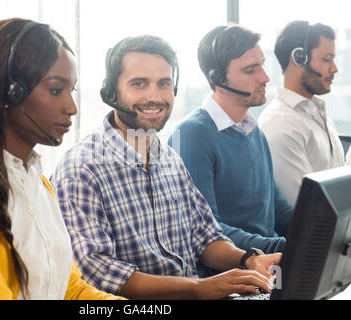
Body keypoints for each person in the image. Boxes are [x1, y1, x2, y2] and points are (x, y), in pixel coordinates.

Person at [52, 35, 281, 300]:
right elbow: (99, 274)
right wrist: (201, 288)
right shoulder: (81, 170)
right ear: (111, 93)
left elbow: (206, 238)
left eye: (164, 84)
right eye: (139, 84)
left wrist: (249, 260)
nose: (155, 97)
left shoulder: (170, 159)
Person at [0, 18, 123, 300]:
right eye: (56, 90)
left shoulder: (38, 183)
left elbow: (71, 291)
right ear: (10, 92)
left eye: (71, 90)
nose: (72, 107)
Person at [167, 25, 293, 255]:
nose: (264, 77)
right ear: (217, 77)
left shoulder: (254, 131)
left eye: (262, 65)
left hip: (268, 263)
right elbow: (205, 229)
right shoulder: (192, 135)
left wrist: (320, 233)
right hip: (233, 272)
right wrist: (280, 248)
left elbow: (275, 208)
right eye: (250, 70)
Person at [258, 21, 344, 206]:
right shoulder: (281, 125)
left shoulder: (317, 113)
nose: (334, 68)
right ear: (299, 58)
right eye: (327, 59)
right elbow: (307, 208)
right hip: (311, 233)